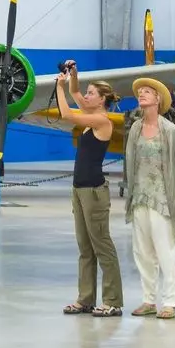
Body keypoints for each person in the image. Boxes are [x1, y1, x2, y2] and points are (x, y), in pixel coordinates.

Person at [53, 60, 123, 317]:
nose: (87, 95)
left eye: (92, 93)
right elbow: (75, 94)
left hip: (94, 191)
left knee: (102, 245)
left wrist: (58, 87)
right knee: (85, 248)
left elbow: (68, 114)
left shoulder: (102, 121)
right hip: (79, 189)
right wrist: (73, 75)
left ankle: (113, 300)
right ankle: (86, 299)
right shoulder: (91, 115)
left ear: (102, 99)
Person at [124, 76, 175, 319]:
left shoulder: (170, 130)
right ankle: (149, 300)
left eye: (147, 92)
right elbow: (130, 162)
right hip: (140, 197)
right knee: (142, 252)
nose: (142, 94)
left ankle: (169, 302)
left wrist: (173, 198)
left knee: (166, 251)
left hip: (162, 199)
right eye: (140, 91)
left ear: (158, 99)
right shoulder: (135, 129)